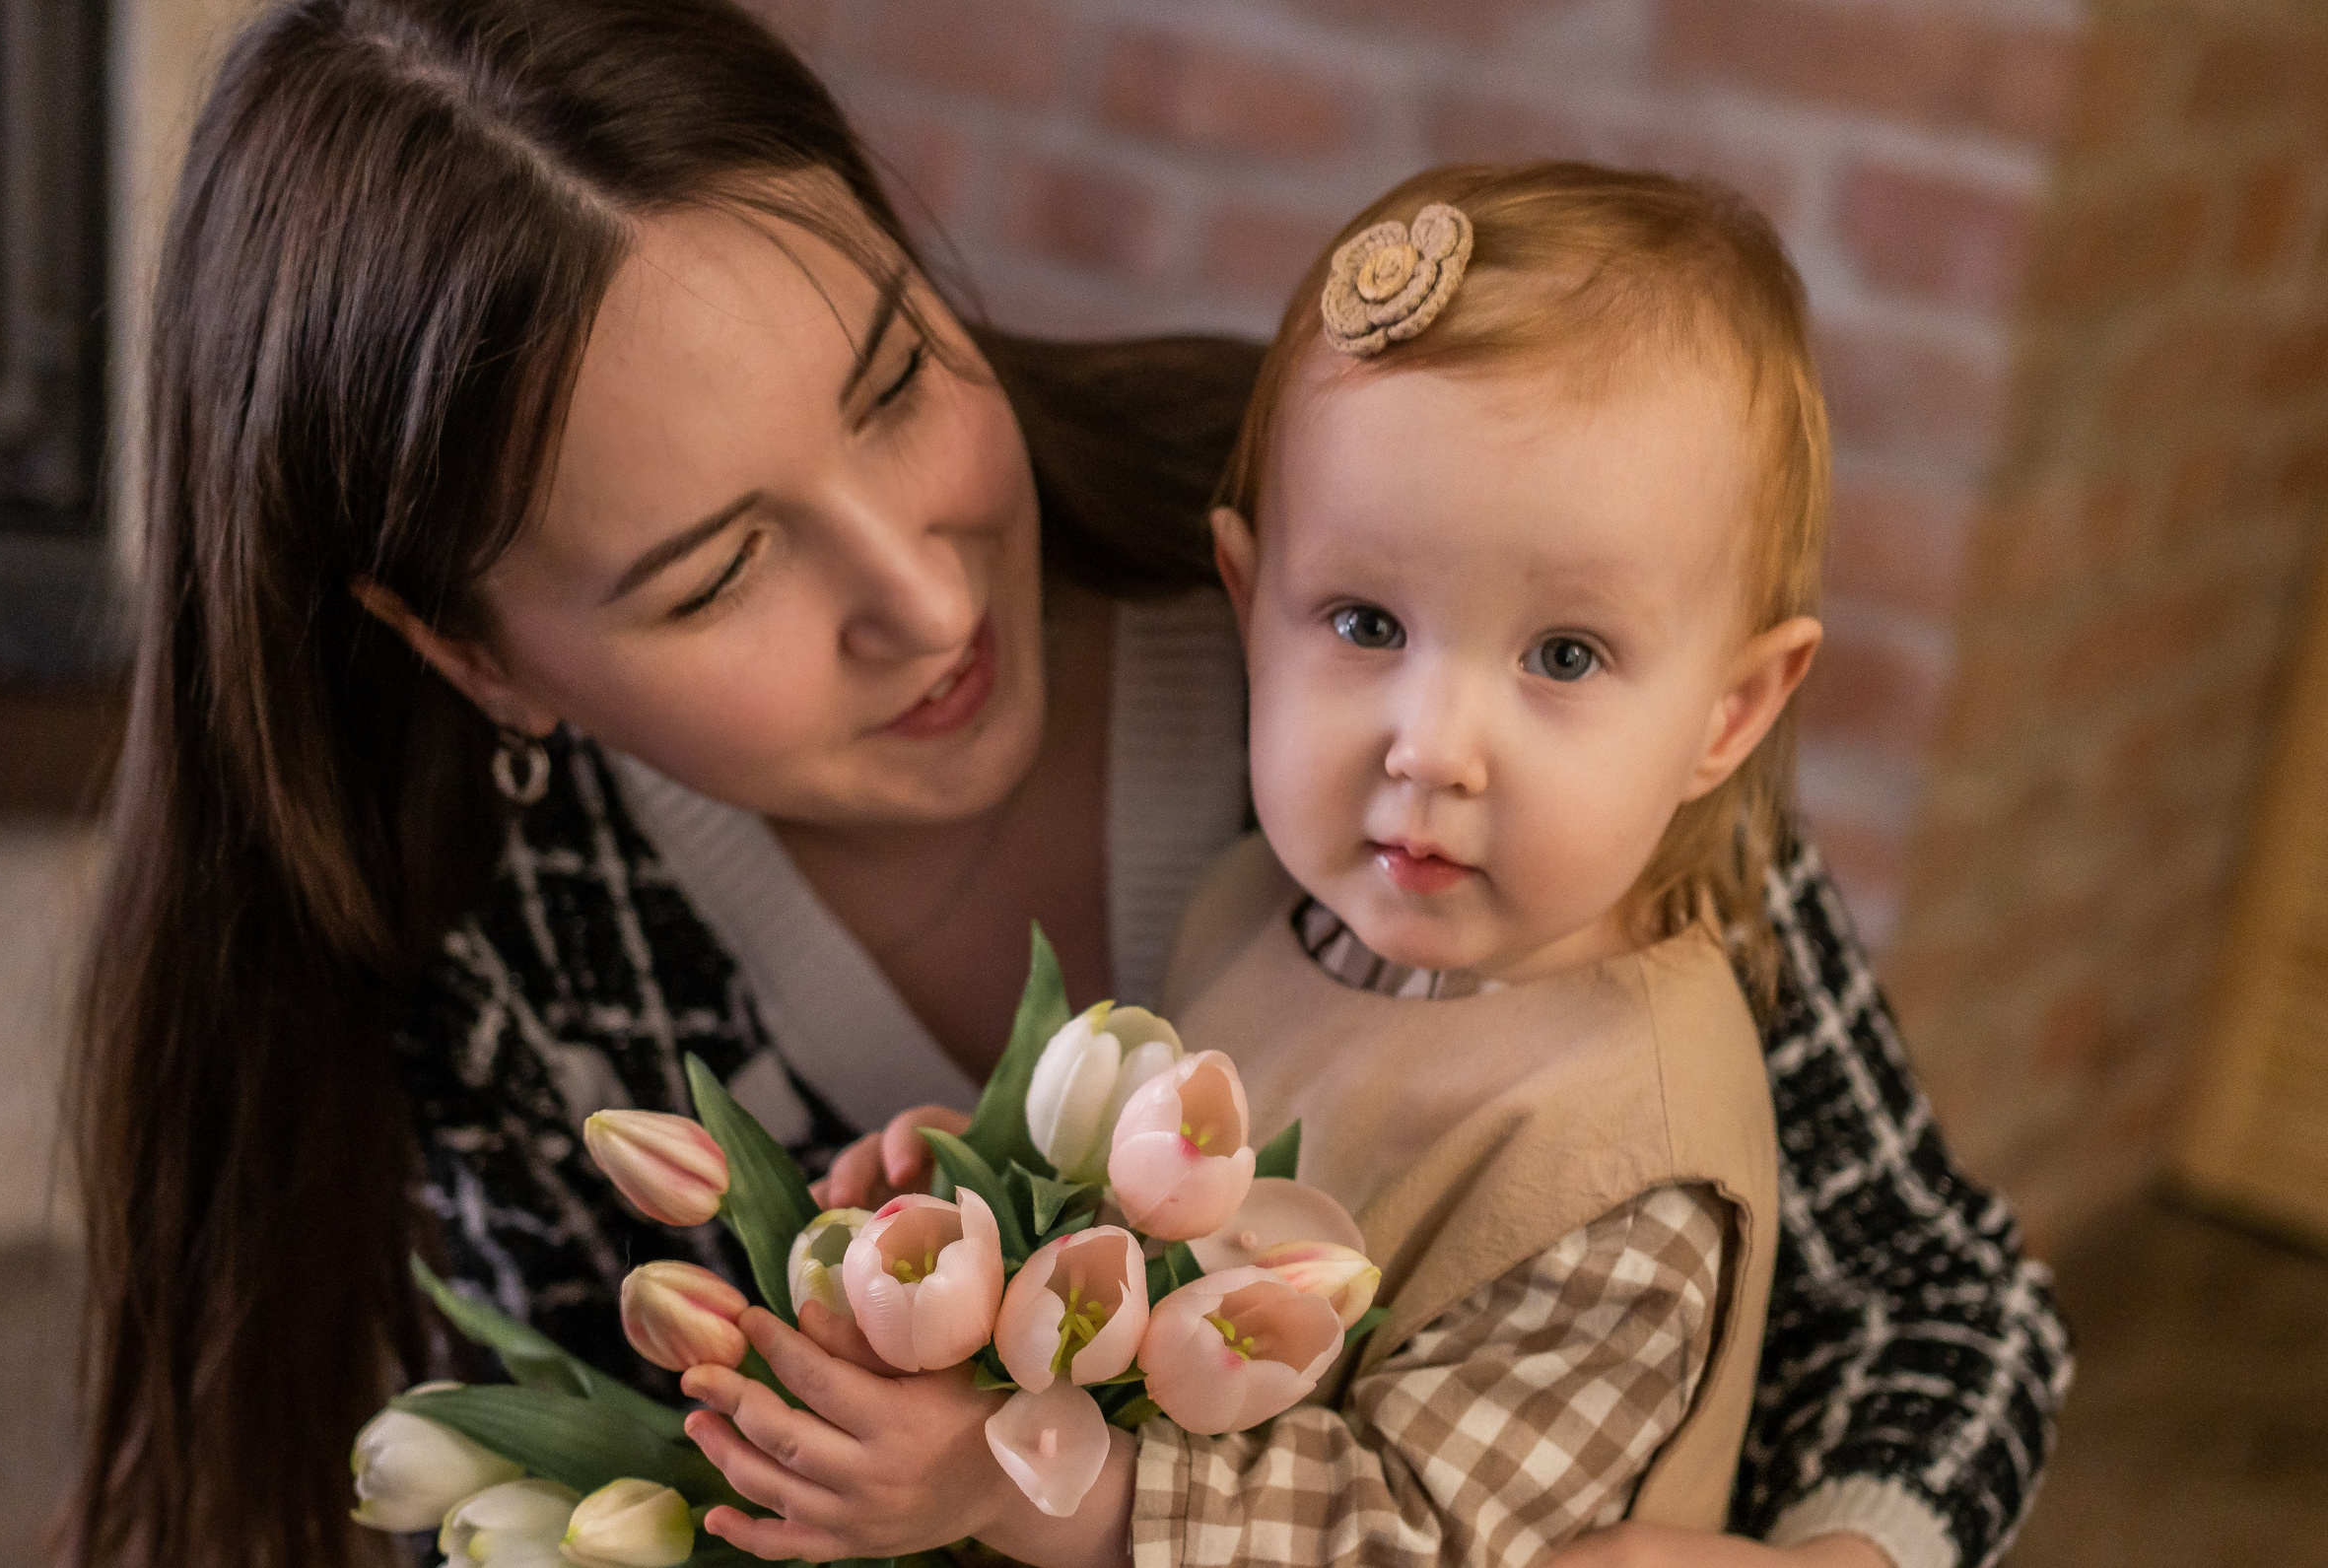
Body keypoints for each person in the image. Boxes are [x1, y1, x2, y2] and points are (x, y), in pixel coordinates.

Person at [66, 3, 2069, 1567]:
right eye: (718, 568)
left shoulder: (1420, 558)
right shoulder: (509, 941)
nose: (921, 593)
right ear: (476, 652)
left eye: (894, 379)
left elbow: (1922, 1290)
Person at [678, 160, 1818, 1566]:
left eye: (1564, 656)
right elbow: (1140, 1280)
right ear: (1247, 599)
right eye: (1364, 622)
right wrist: (976, 1221)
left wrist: (1018, 1489)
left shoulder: (1627, 1159)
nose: (1435, 746)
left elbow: (1418, 1536)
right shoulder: (1260, 914)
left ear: (1730, 715)